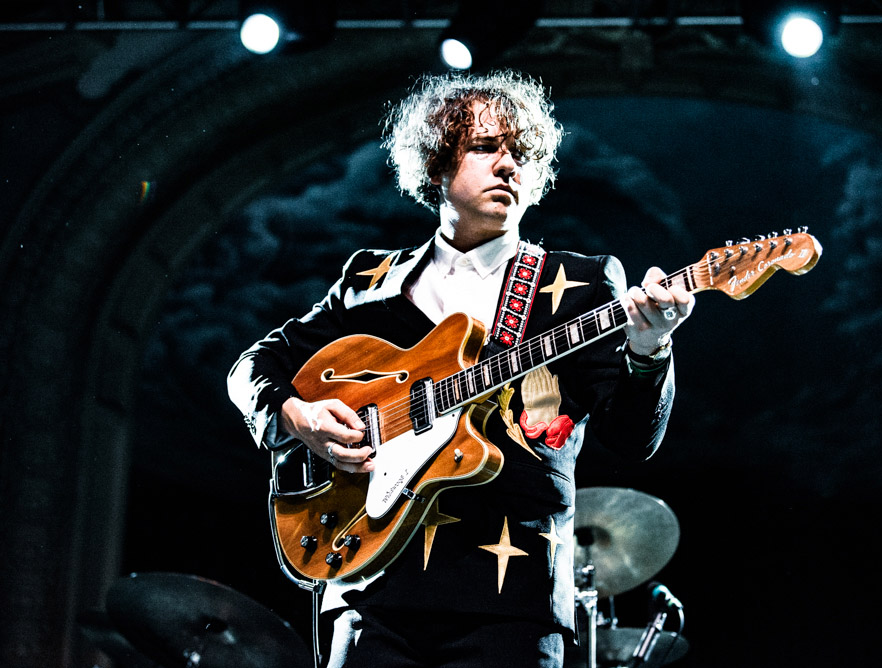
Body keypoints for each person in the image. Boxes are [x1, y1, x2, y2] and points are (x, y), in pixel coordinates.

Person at [227, 70, 694, 668]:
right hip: (368, 587)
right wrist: (295, 415)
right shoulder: (370, 281)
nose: (508, 165)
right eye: (485, 147)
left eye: (521, 153)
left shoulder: (579, 283)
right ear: (436, 166)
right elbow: (252, 367)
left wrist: (649, 345)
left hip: (508, 598)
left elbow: (633, 439)